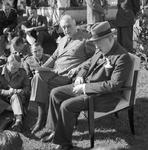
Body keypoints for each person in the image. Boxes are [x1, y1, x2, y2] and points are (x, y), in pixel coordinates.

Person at [40, 21, 132, 150]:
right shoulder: (101, 49)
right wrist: (80, 76)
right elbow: (87, 64)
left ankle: (64, 144)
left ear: (110, 39)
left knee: (67, 106)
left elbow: (113, 85)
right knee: (55, 93)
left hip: (103, 96)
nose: (96, 45)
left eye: (98, 41)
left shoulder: (122, 57)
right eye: (94, 41)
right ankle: (55, 130)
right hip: (87, 85)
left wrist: (84, 88)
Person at [30, 14, 95, 134]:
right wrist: (42, 67)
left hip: (68, 76)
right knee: (37, 76)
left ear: (75, 23)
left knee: (38, 80)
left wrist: (79, 70)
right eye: (63, 27)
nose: (66, 30)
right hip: (55, 72)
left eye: (68, 26)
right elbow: (54, 57)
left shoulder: (85, 39)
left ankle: (44, 120)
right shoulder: (63, 39)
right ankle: (42, 118)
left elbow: (93, 59)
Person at [0, 54, 30, 132]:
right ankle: (16, 108)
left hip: (16, 97)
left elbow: (27, 88)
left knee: (15, 96)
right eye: (14, 67)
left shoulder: (22, 72)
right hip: (2, 97)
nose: (16, 69)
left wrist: (19, 91)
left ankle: (18, 122)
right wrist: (6, 92)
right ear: (7, 63)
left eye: (18, 67)